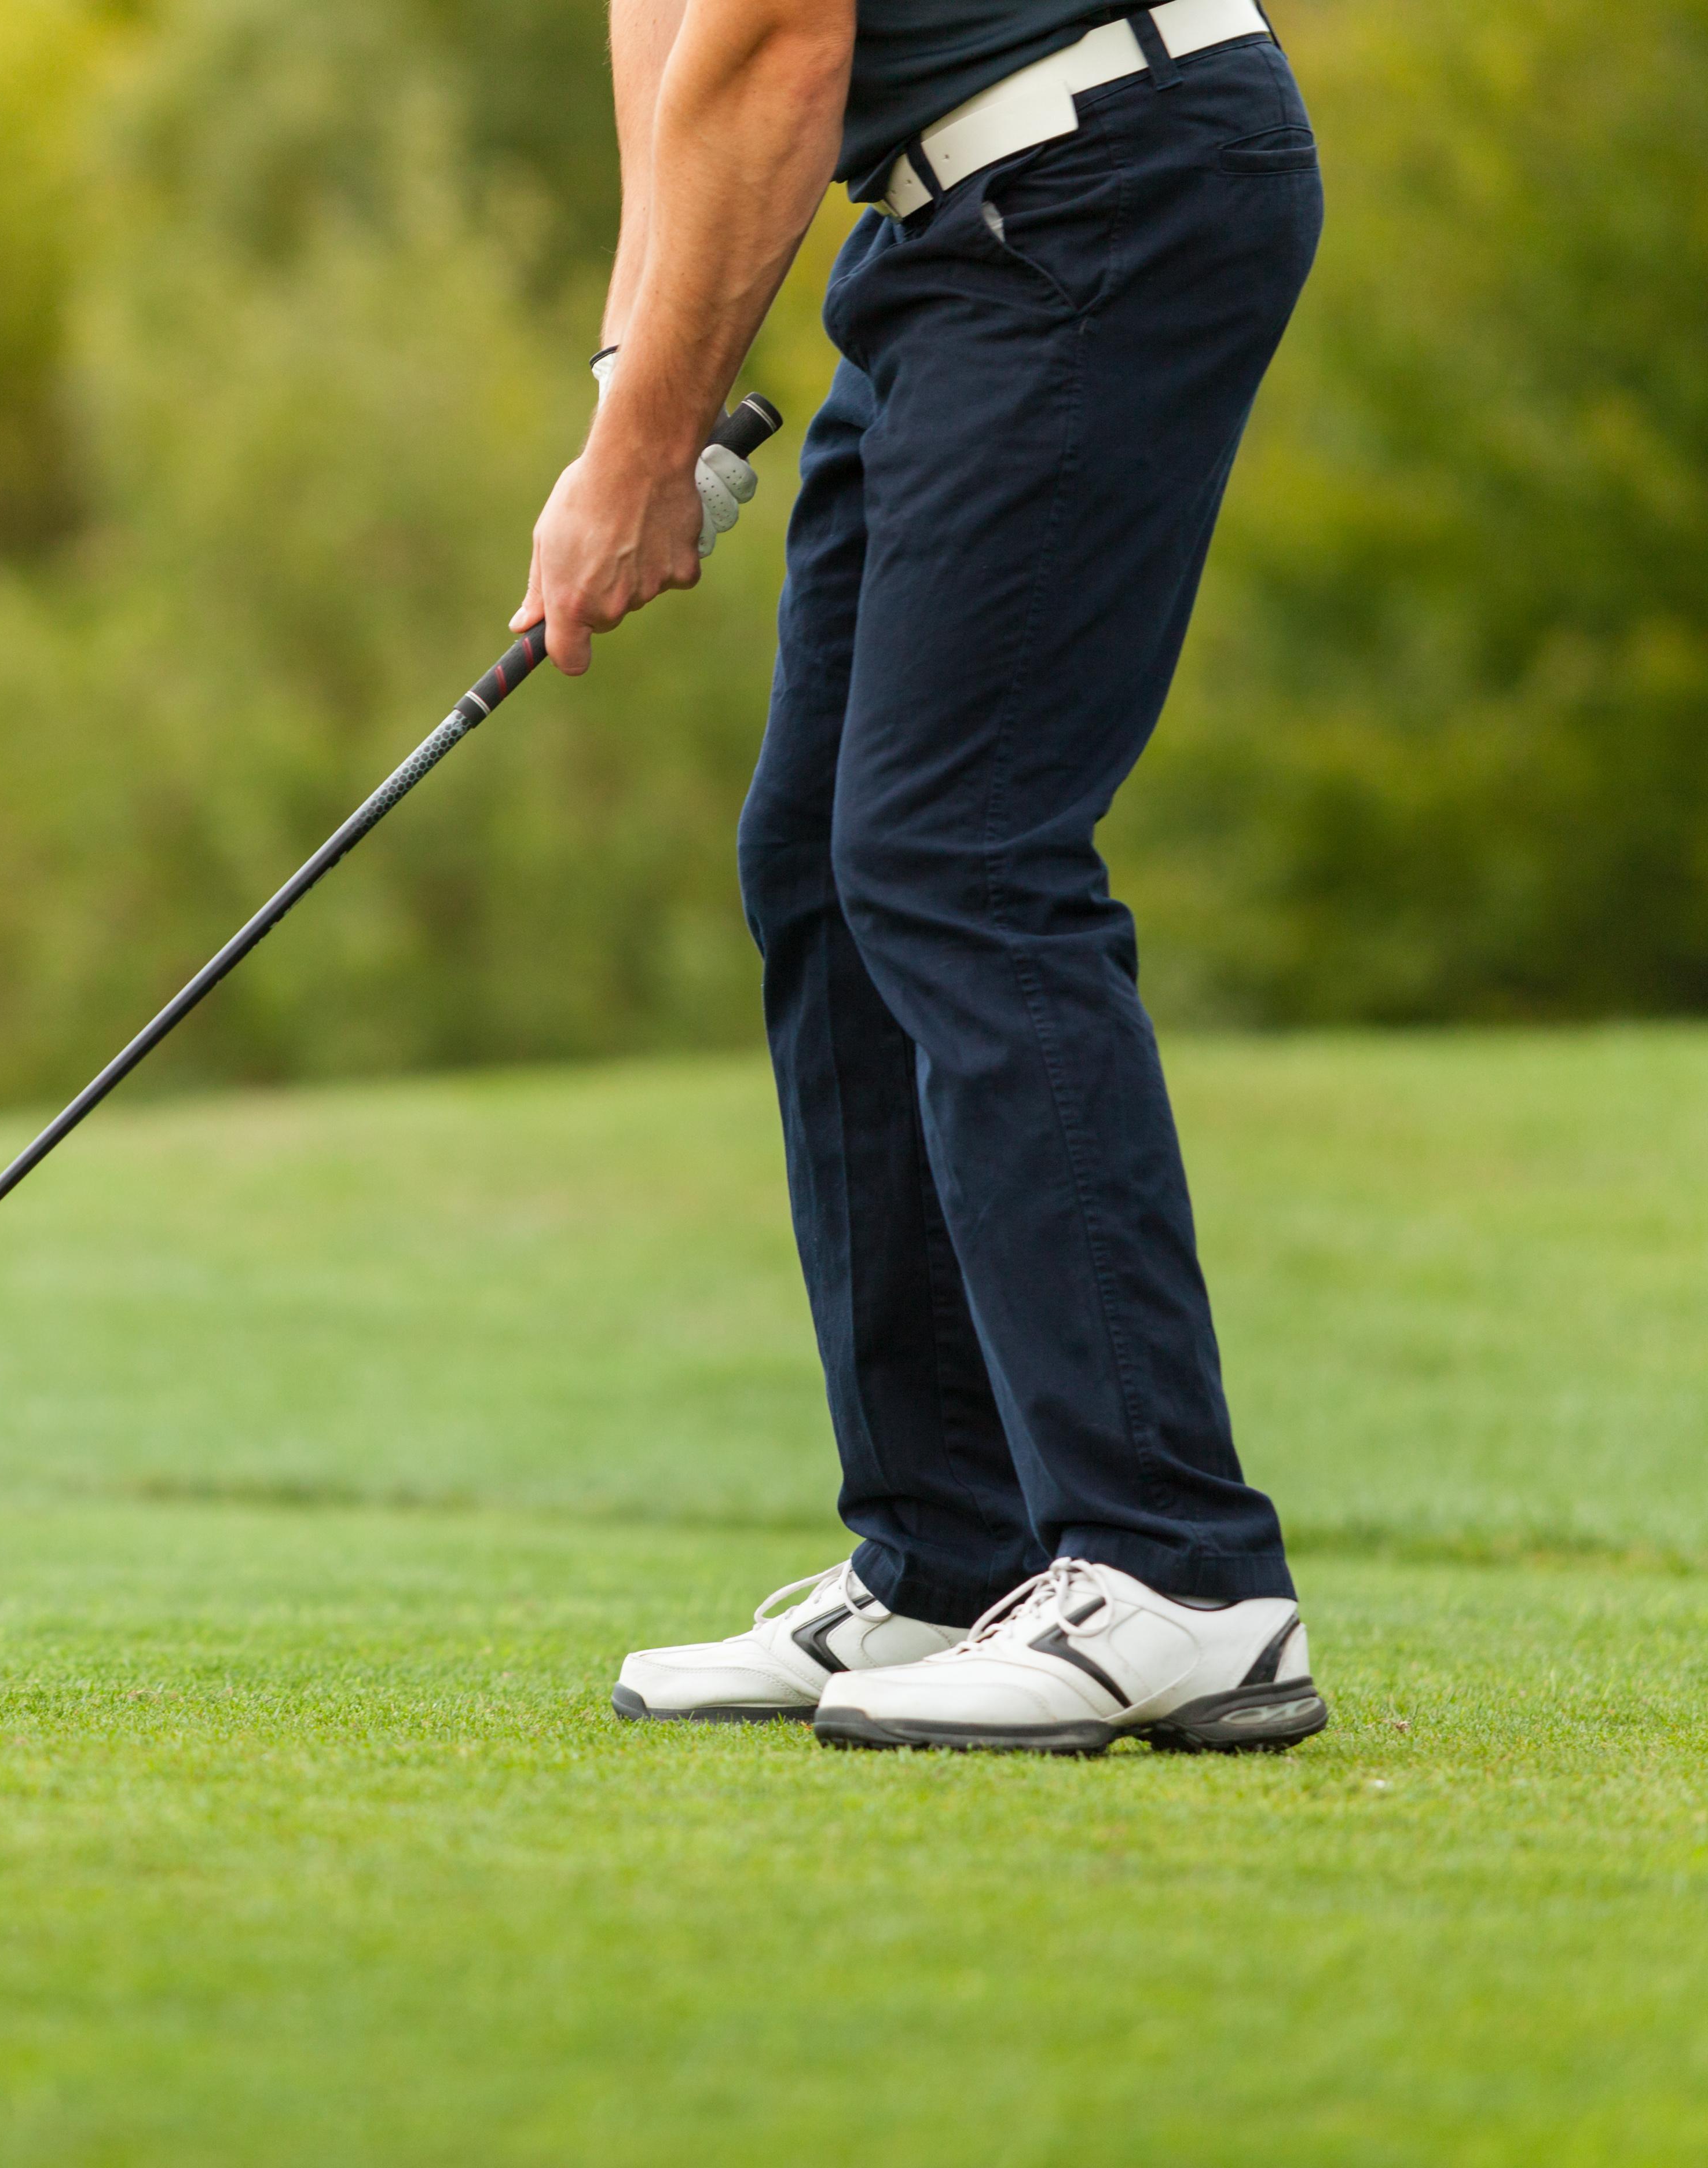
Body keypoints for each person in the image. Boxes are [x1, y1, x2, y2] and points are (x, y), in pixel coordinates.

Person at [520, 0, 1328, 1751]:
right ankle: (953, 1556)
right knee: (822, 859)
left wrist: (641, 456)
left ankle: (1176, 1570)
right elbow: (671, 27)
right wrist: (633, 400)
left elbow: (779, 39)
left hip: (1096, 180)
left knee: (958, 847)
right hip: (953, 234)